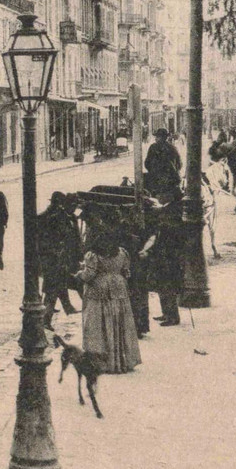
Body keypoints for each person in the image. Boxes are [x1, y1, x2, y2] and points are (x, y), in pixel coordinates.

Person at [77, 229, 141, 373]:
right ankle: (121, 360)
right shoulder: (122, 253)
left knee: (97, 324)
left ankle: (101, 361)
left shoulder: (93, 255)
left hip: (99, 289)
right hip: (119, 288)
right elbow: (126, 271)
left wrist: (79, 274)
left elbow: (89, 275)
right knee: (119, 323)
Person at [37, 192, 82, 325]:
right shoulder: (55, 218)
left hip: (67, 261)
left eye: (75, 206)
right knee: (53, 289)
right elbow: (47, 239)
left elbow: (75, 239)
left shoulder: (71, 218)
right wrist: (55, 253)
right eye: (72, 205)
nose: (74, 208)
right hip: (55, 260)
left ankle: (66, 309)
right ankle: (46, 319)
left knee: (60, 286)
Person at [141, 197, 184, 326]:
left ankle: (173, 317)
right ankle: (166, 314)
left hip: (168, 263)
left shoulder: (168, 230)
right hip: (163, 262)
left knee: (168, 289)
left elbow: (167, 247)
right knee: (162, 288)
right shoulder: (162, 229)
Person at [144, 129, 183, 203]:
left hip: (156, 179)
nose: (155, 138)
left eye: (157, 137)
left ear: (162, 137)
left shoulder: (153, 147)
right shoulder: (173, 148)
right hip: (172, 180)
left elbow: (147, 163)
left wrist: (153, 171)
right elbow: (180, 165)